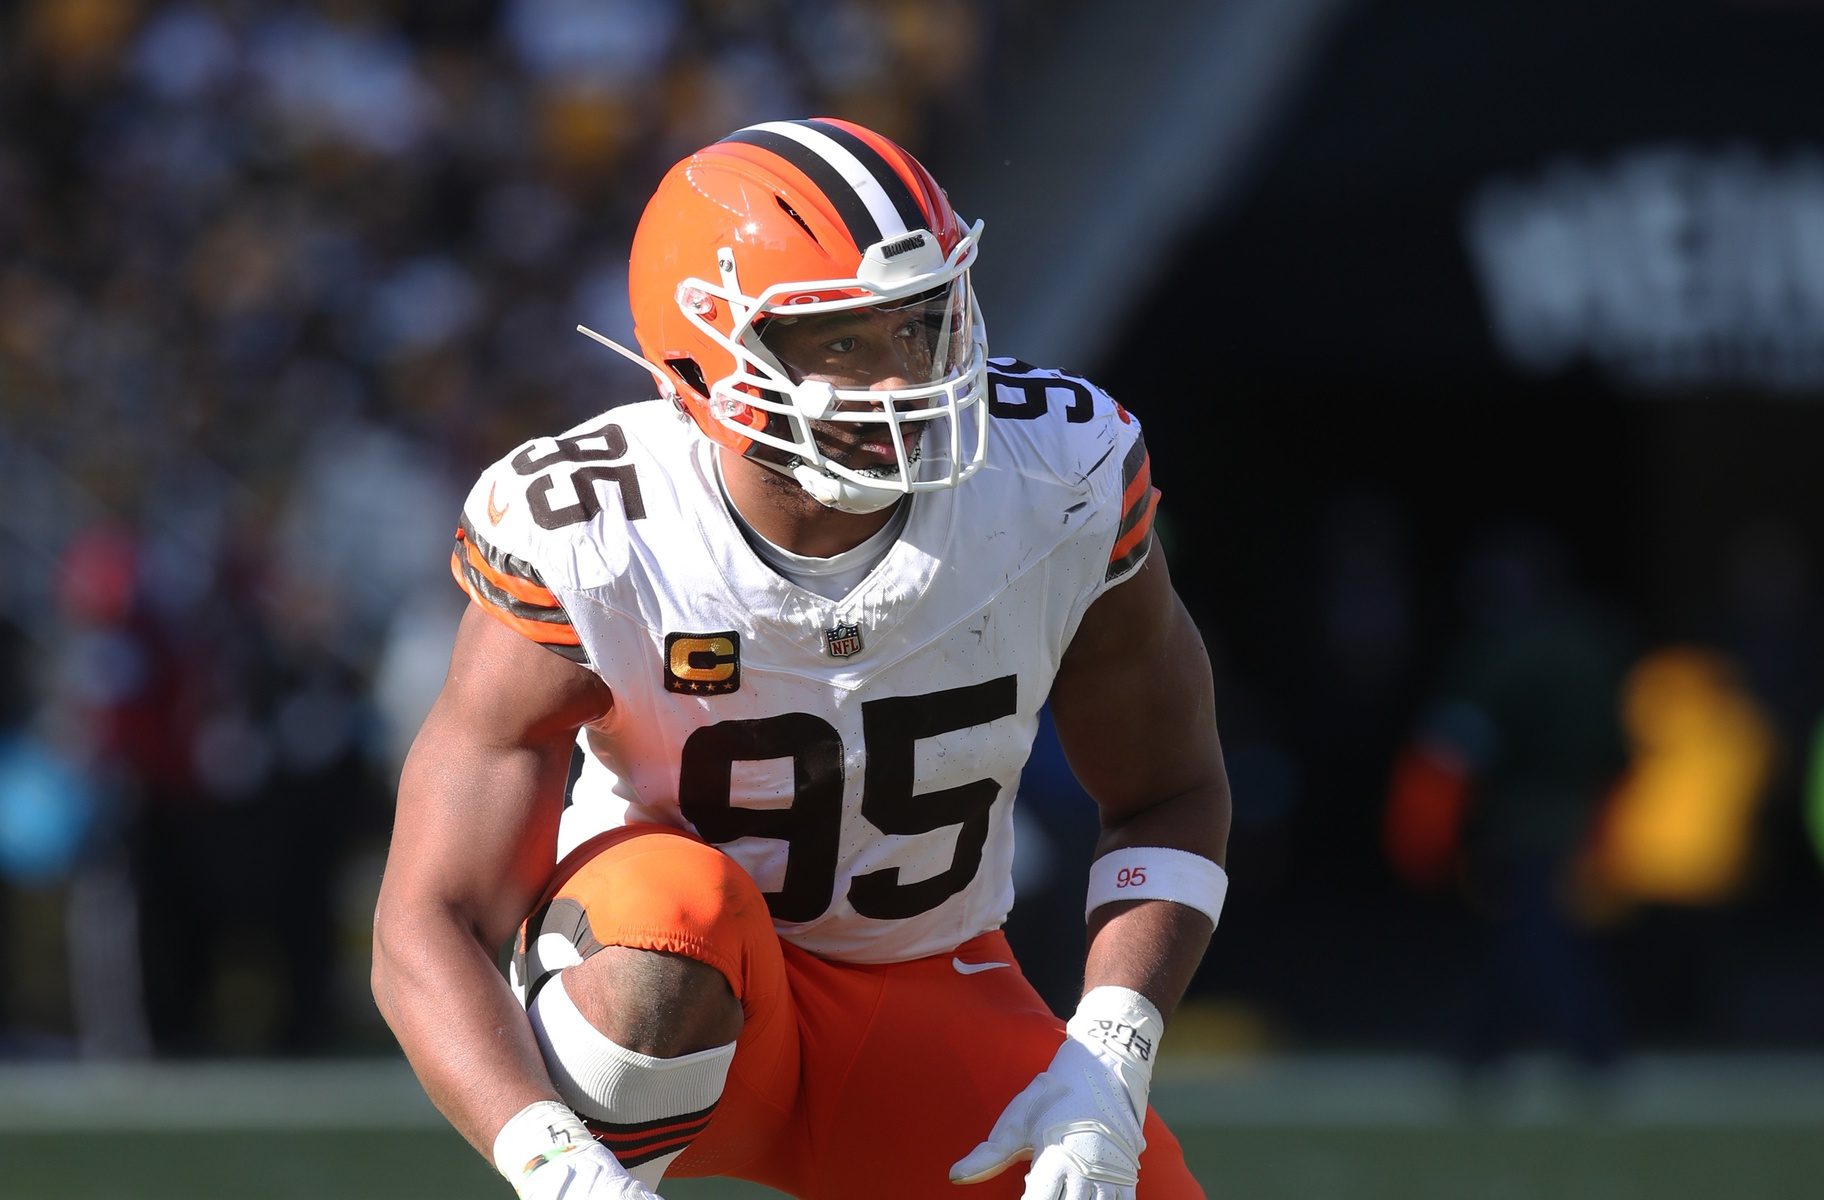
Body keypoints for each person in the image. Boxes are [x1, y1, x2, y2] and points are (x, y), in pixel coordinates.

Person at [372, 117, 1231, 1200]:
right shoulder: (595, 532)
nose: (905, 379)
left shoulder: (1058, 474)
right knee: (669, 925)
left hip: (930, 981)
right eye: (843, 344)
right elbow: (430, 914)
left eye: (920, 328)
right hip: (665, 983)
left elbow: (1173, 791)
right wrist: (551, 1166)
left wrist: (1109, 1049)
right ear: (703, 361)